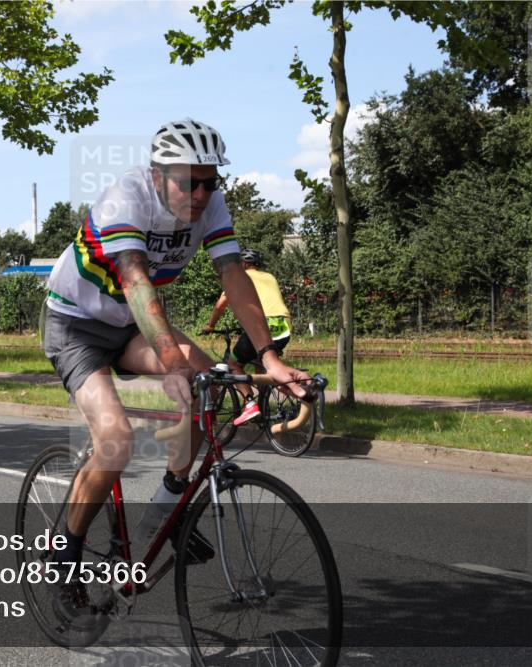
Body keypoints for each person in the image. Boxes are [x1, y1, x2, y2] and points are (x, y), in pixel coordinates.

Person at [43, 119, 310, 612]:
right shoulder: (126, 197)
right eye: (189, 182)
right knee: (116, 438)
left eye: (211, 181)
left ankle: (167, 513)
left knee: (212, 388)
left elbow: (233, 274)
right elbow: (135, 280)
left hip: (130, 327)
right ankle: (64, 555)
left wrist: (268, 357)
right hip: (77, 326)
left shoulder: (211, 203)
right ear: (157, 175)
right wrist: (171, 361)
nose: (201, 194)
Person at [201, 248, 293, 425]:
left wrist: (211, 326)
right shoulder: (270, 277)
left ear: (242, 264)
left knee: (233, 364)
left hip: (262, 325)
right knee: (264, 363)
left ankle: (250, 404)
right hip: (284, 327)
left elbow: (220, 306)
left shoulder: (239, 278)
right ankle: (265, 407)